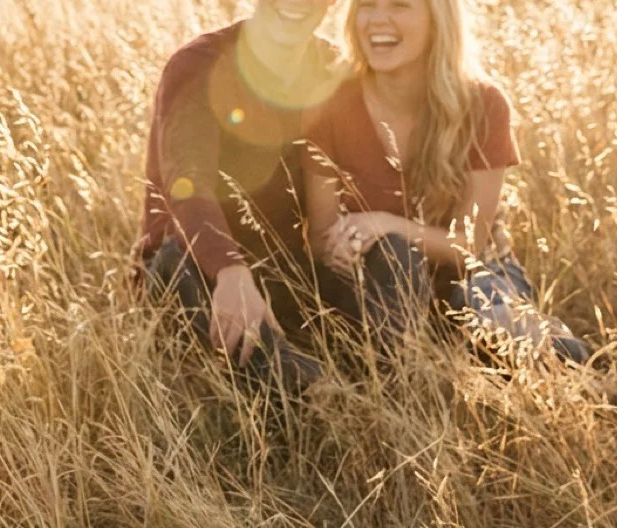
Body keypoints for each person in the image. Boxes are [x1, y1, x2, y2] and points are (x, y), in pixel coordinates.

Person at [139, 0, 443, 397]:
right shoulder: (199, 65)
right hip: (199, 266)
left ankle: (386, 378)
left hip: (290, 268)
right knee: (174, 263)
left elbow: (377, 170)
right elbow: (187, 186)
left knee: (395, 251)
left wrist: (462, 231)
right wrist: (230, 271)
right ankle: (315, 392)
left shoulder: (333, 69)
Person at [303, 0, 590, 363]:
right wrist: (342, 248)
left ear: (437, 18)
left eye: (400, 5)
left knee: (499, 325)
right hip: (380, 280)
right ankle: (405, 380)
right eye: (366, 4)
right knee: (394, 257)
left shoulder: (483, 104)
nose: (377, 19)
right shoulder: (331, 102)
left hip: (472, 275)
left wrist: (386, 223)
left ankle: (601, 385)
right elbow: (319, 238)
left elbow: (469, 245)